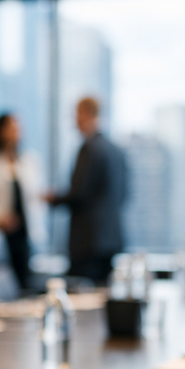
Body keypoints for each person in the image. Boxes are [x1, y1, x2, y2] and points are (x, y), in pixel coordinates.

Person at [45, 97, 128, 284]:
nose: (74, 120)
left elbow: (79, 194)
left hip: (88, 241)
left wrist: (52, 199)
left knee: (83, 299)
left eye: (76, 114)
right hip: (112, 239)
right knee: (102, 297)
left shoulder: (89, 149)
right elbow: (124, 194)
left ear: (85, 113)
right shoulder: (116, 149)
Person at [0, 113, 45, 289]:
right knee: (2, 282)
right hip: (1, 230)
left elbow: (35, 196)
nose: (15, 133)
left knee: (25, 281)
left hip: (25, 232)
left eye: (17, 128)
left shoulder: (29, 160)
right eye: (11, 128)